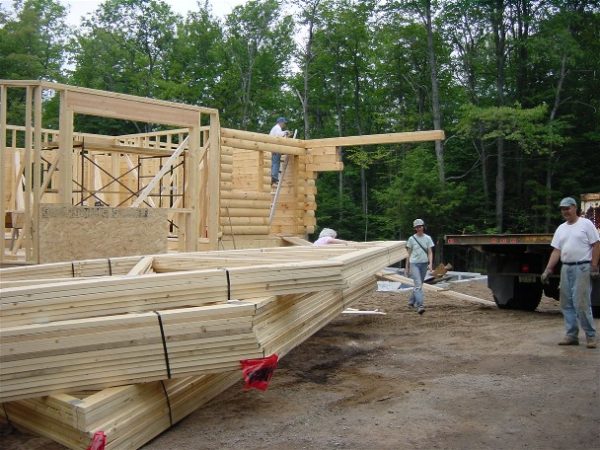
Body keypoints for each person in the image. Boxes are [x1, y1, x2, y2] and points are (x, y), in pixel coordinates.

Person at [541, 197, 599, 348]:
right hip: (566, 268)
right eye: (562, 209)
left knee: (581, 303)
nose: (565, 211)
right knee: (566, 303)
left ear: (575, 208)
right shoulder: (561, 228)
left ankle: (590, 336)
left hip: (582, 267)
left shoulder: (586, 224)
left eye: (567, 208)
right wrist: (548, 269)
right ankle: (571, 335)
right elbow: (556, 251)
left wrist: (594, 265)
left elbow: (596, 245)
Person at [405, 218, 434, 315]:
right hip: (414, 264)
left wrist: (430, 264)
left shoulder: (428, 238)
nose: (419, 228)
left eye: (420, 226)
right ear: (415, 228)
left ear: (423, 227)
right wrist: (407, 268)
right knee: (418, 285)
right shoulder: (411, 239)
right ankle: (420, 306)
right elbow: (408, 254)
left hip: (424, 264)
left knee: (419, 284)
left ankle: (410, 302)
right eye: (416, 227)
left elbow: (430, 252)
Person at [269, 117, 289, 185]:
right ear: (281, 122)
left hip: (272, 147)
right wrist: (286, 132)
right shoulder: (277, 128)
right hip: (275, 147)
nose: (284, 125)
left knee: (274, 162)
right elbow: (279, 135)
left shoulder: (275, 128)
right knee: (276, 162)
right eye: (284, 123)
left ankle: (272, 176)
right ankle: (274, 177)